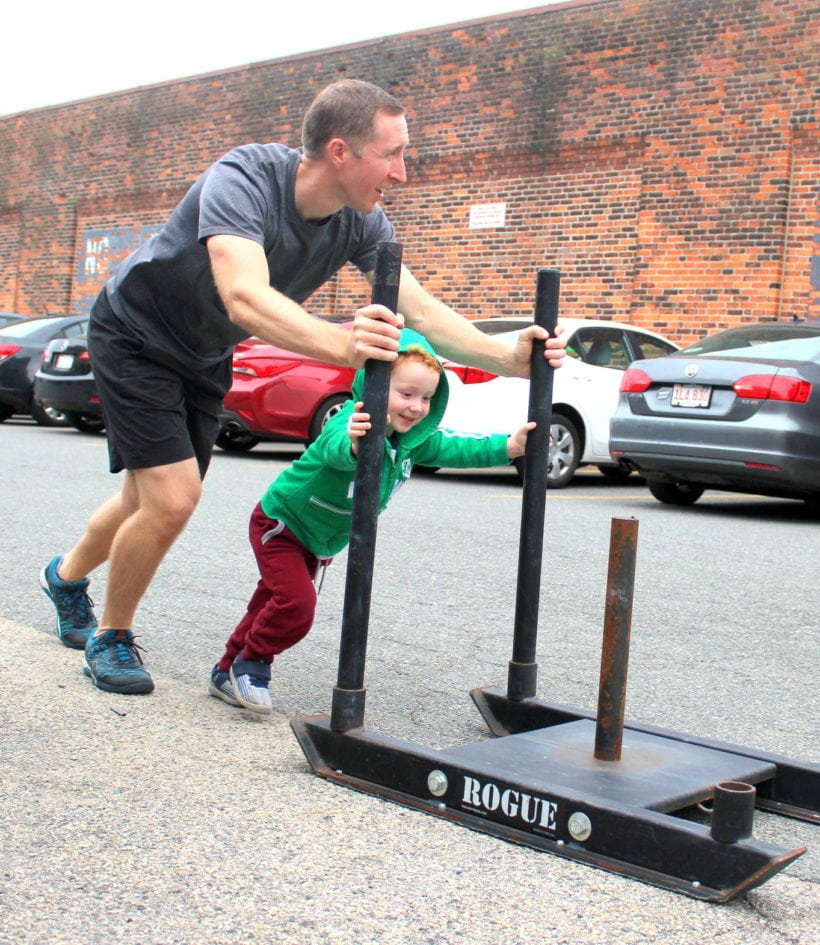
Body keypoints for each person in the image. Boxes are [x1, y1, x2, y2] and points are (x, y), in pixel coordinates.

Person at [39, 78, 563, 697]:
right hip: (135, 335)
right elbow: (244, 295)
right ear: (340, 152)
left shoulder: (360, 222)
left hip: (202, 353)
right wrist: (345, 345)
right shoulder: (244, 180)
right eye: (390, 154)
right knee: (173, 499)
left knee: (144, 501)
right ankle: (111, 636)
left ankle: (65, 579)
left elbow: (418, 310)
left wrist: (506, 355)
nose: (401, 174)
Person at [209, 328, 534, 713]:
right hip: (283, 523)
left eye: (427, 397)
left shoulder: (412, 439)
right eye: (406, 393)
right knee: (296, 605)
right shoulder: (352, 419)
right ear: (376, 386)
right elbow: (333, 448)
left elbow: (457, 447)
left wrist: (509, 447)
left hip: (318, 537)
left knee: (272, 600)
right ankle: (253, 663)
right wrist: (353, 443)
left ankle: (225, 670)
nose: (416, 406)